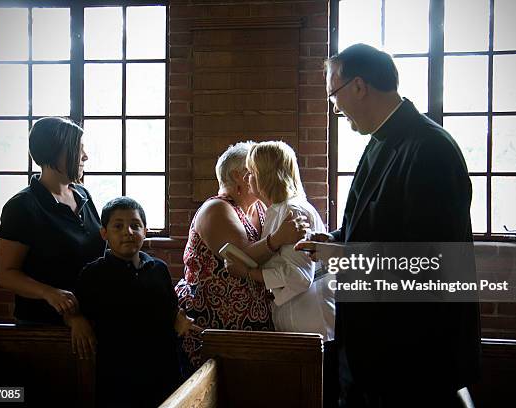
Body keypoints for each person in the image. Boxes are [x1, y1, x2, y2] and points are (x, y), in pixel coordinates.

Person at [295, 44, 480, 407]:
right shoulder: (379, 141)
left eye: (334, 94)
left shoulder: (431, 150)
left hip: (411, 359)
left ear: (359, 87)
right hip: (371, 352)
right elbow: (373, 225)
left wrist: (345, 256)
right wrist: (333, 239)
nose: (334, 108)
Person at [175, 141, 308, 372]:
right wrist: (277, 239)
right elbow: (241, 258)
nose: (261, 176)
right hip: (214, 320)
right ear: (239, 176)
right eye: (254, 170)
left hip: (253, 322)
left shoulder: (261, 209)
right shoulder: (216, 209)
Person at [224, 140, 337, 408]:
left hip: (313, 328)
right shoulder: (277, 210)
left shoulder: (293, 211)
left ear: (267, 174)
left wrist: (249, 273)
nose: (248, 178)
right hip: (297, 326)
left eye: (252, 171)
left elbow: (299, 276)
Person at [66, 197, 197, 407]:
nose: (128, 232)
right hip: (119, 377)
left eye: (135, 226)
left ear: (145, 231)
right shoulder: (93, 274)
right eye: (118, 226)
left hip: (164, 369)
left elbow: (171, 310)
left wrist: (180, 320)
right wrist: (75, 319)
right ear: (104, 233)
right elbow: (73, 310)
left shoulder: (158, 269)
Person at [0, 117, 105, 324]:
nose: (85, 156)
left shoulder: (83, 194)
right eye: (78, 149)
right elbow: (6, 274)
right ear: (55, 153)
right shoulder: (21, 206)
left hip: (88, 318)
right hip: (44, 323)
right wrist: (50, 293)